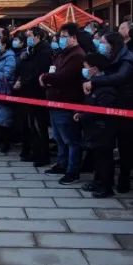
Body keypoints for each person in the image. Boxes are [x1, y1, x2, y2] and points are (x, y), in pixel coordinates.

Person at [85, 31, 133, 194]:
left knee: (124, 148)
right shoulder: (112, 57)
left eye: (104, 42)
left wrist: (95, 81)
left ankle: (123, 182)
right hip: (112, 106)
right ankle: (103, 181)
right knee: (104, 147)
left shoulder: (128, 59)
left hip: (126, 108)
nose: (101, 45)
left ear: (113, 44)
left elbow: (119, 78)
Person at [41, 22, 87, 185]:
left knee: (71, 140)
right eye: (59, 36)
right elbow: (54, 72)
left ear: (73, 38)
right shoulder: (62, 54)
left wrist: (45, 78)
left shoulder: (77, 55)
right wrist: (48, 78)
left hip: (67, 102)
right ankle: (62, 164)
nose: (60, 39)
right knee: (59, 138)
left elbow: (63, 77)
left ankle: (72, 170)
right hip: (55, 101)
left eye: (64, 37)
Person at [76, 52, 122, 197]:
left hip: (103, 127)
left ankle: (106, 187)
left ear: (94, 69)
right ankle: (98, 182)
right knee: (97, 157)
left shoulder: (106, 87)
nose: (84, 69)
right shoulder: (95, 83)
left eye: (86, 67)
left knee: (104, 159)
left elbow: (101, 110)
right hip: (93, 127)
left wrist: (84, 115)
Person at [13, 27, 53, 166]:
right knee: (30, 124)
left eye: (30, 36)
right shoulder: (31, 50)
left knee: (39, 125)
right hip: (27, 91)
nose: (28, 39)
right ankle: (34, 151)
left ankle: (43, 155)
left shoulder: (44, 51)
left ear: (38, 36)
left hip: (37, 92)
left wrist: (23, 81)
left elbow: (38, 71)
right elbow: (24, 68)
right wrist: (20, 79)